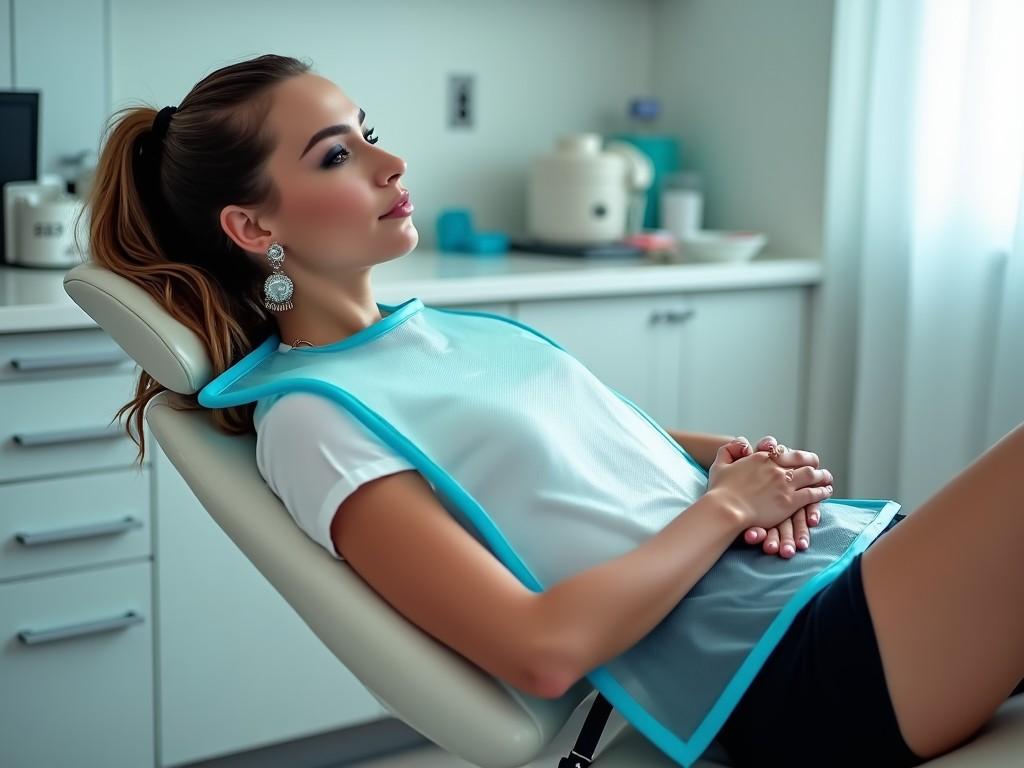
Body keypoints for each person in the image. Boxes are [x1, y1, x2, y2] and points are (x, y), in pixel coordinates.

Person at [82, 53, 1024, 767]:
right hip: (788, 674)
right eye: (339, 154)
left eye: (368, 129)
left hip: (819, 585)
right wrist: (728, 506)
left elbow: (613, 450)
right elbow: (539, 651)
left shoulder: (437, 332)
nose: (389, 159)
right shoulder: (315, 422)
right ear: (254, 228)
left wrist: (753, 468)